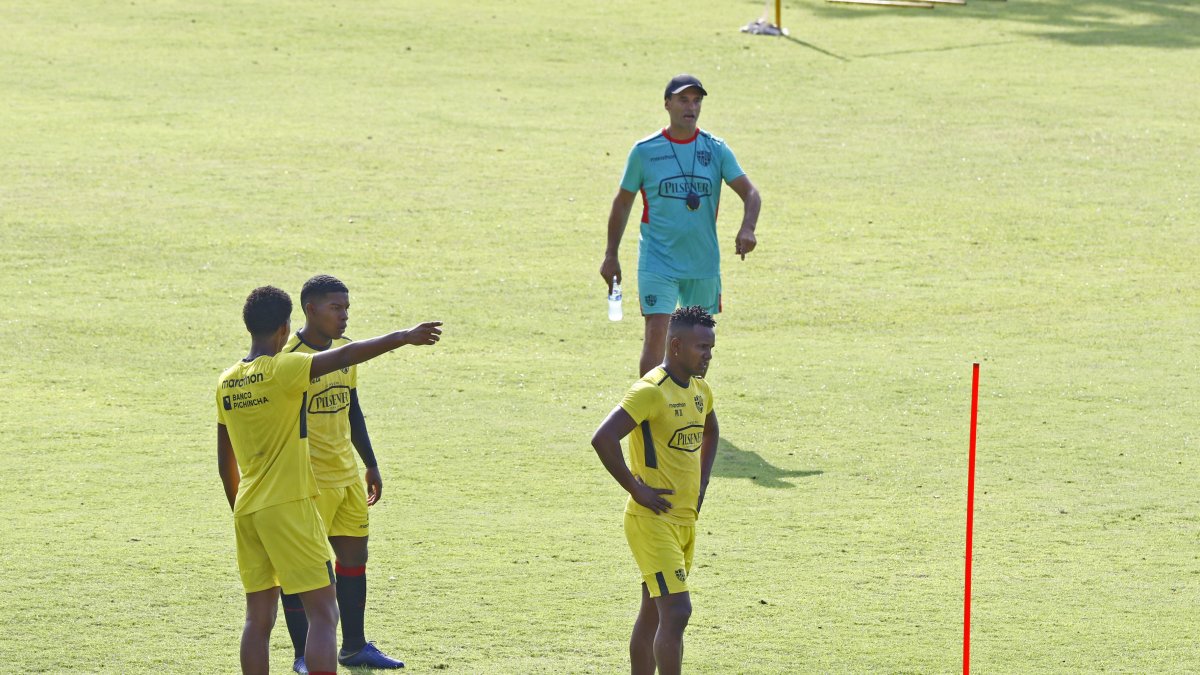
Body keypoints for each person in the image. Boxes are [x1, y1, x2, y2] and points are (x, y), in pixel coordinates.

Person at [216, 286, 442, 675]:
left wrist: (241, 507)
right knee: (323, 613)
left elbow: (225, 461)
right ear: (286, 327)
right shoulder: (284, 370)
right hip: (289, 505)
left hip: (247, 510)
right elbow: (347, 353)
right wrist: (402, 337)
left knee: (257, 619)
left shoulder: (227, 381)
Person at [277, 275, 408, 673]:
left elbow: (352, 409)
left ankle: (353, 646)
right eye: (337, 308)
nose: (345, 316)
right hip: (308, 483)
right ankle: (303, 655)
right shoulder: (289, 359)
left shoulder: (347, 353)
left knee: (354, 559)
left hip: (347, 479)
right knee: (304, 571)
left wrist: (370, 463)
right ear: (310, 309)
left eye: (347, 308)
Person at [600, 74, 762, 376]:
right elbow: (623, 202)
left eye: (696, 100)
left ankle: (689, 413)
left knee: (698, 343)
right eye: (683, 99)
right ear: (667, 104)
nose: (691, 106)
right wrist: (611, 254)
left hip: (702, 262)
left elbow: (751, 193)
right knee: (657, 333)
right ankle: (648, 417)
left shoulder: (716, 149)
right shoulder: (645, 151)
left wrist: (748, 227)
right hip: (657, 259)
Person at [591, 305, 720, 675]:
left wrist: (703, 481)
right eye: (701, 348)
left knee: (654, 614)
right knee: (677, 612)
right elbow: (603, 438)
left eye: (711, 348)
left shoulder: (700, 389)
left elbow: (711, 430)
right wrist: (636, 490)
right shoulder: (650, 391)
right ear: (676, 345)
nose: (708, 355)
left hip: (683, 520)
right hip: (652, 521)